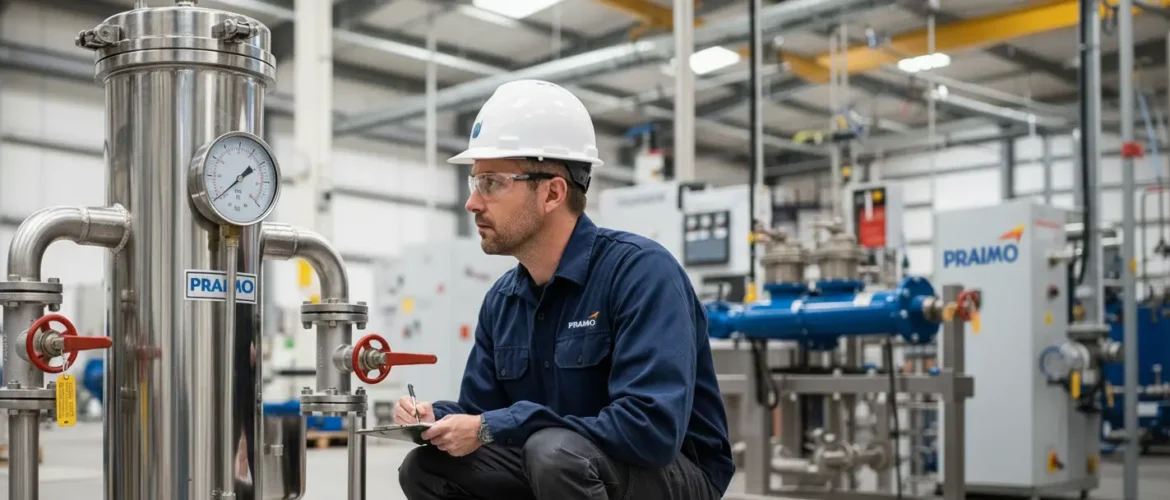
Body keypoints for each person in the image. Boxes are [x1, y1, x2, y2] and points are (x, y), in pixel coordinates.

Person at [395, 79, 734, 500]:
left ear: (553, 192)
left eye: (492, 183)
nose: (473, 203)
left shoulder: (641, 273)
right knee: (428, 468)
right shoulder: (502, 300)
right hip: (562, 464)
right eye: (474, 182)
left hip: (668, 474)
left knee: (554, 452)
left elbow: (650, 431)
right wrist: (436, 417)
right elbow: (481, 412)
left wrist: (498, 425)